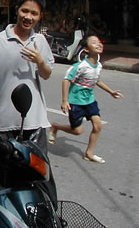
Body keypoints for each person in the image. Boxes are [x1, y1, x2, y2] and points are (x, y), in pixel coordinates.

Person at [0, 0, 55, 195]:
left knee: (38, 177)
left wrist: (40, 60)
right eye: (25, 11)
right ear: (17, 10)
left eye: (34, 13)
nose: (28, 17)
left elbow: (47, 74)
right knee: (1, 177)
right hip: (3, 121)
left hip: (35, 122)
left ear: (40, 16)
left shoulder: (40, 41)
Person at [48, 34, 123, 164]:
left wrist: (111, 92)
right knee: (77, 131)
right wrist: (65, 100)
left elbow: (96, 81)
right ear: (86, 49)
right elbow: (66, 80)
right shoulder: (80, 66)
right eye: (94, 43)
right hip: (76, 102)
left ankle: (89, 153)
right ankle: (55, 126)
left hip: (89, 100)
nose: (98, 44)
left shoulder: (98, 65)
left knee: (98, 125)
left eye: (99, 42)